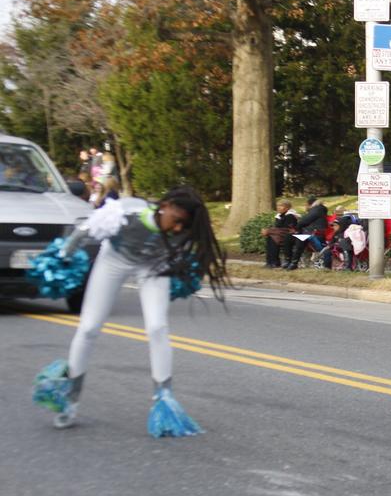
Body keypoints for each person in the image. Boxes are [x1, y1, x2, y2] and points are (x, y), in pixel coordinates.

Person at [32, 186, 228, 434]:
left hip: (154, 266)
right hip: (114, 260)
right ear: (165, 206)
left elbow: (190, 254)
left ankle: (164, 402)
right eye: (177, 221)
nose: (178, 229)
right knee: (89, 327)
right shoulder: (127, 211)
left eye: (184, 226)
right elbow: (84, 231)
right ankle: (70, 398)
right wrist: (63, 256)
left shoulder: (183, 230)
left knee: (157, 327)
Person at [286, 196, 328, 270]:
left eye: (306, 205)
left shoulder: (316, 210)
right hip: (313, 233)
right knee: (291, 237)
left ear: (310, 204)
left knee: (295, 238)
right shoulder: (319, 209)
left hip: (315, 234)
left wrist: (296, 228)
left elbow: (304, 221)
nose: (305, 207)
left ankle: (293, 262)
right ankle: (291, 262)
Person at [262, 199, 299, 268]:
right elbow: (277, 227)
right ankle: (270, 261)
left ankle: (274, 262)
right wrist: (269, 231)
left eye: (281, 206)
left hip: (288, 236)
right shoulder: (279, 216)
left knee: (273, 238)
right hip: (279, 235)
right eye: (278, 206)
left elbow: (286, 228)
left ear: (287, 207)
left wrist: (269, 231)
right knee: (270, 237)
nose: (278, 207)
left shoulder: (290, 216)